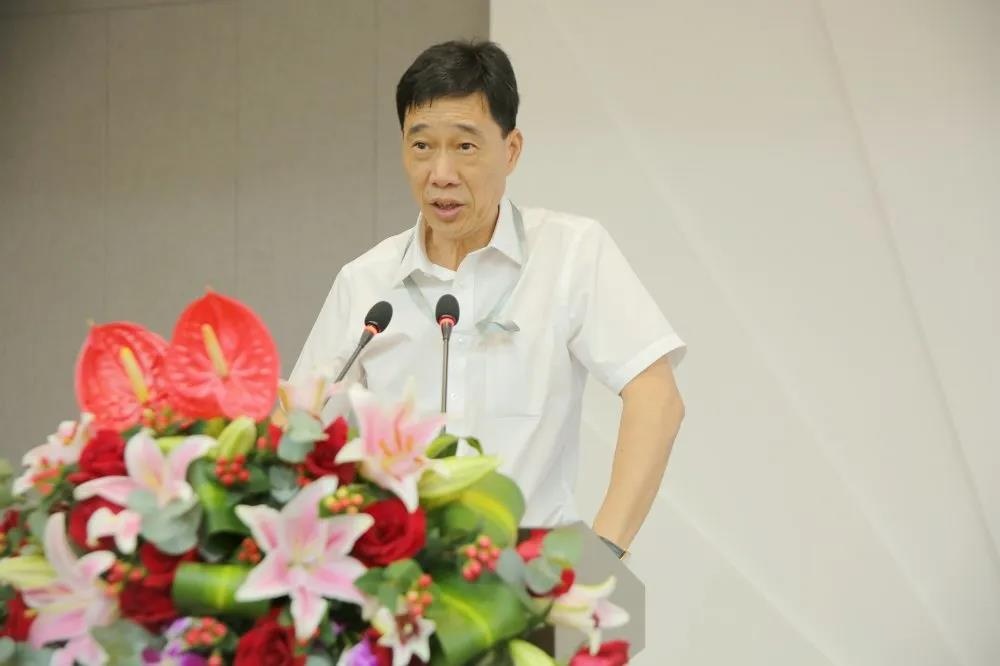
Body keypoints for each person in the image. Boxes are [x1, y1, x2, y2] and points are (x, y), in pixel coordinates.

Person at [290, 40, 686, 559]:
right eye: (421, 146)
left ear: (511, 150)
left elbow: (656, 398)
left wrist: (602, 553)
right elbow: (301, 428)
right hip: (402, 581)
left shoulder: (569, 253)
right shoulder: (365, 283)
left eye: (465, 146)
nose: (441, 173)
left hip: (533, 576)